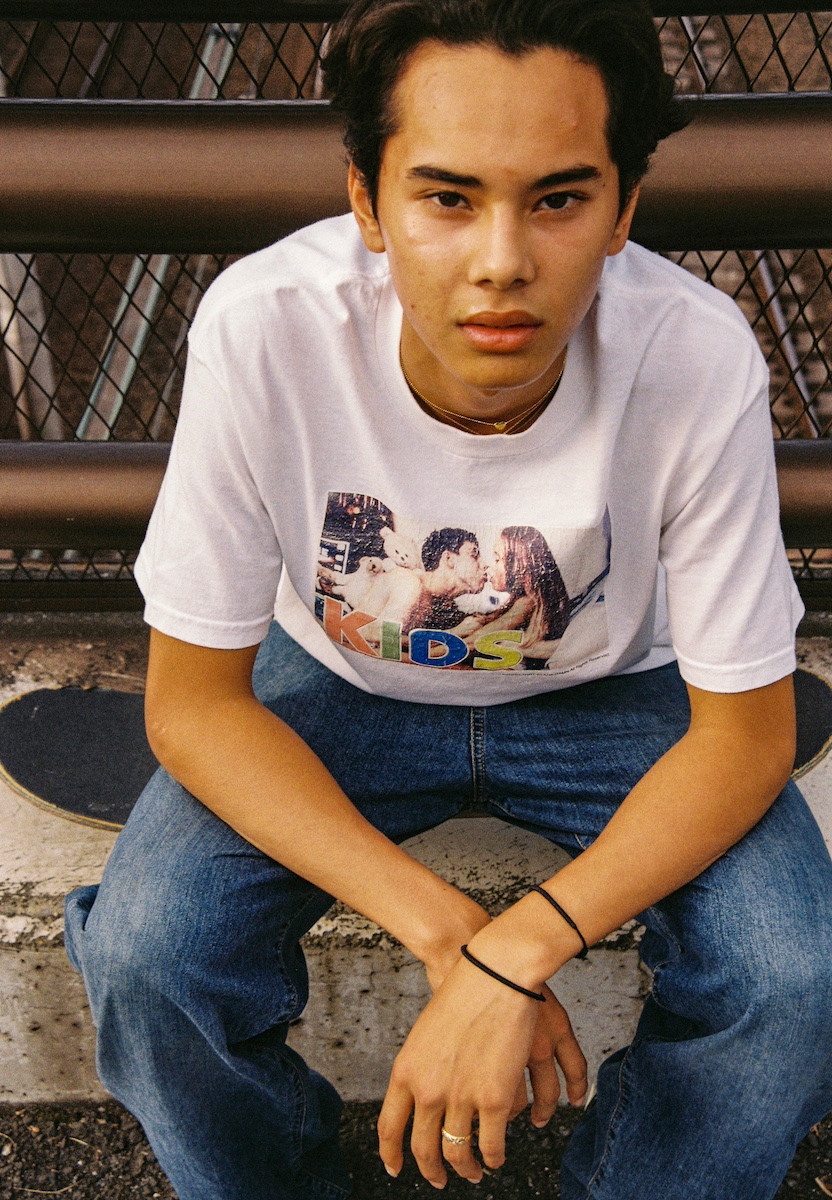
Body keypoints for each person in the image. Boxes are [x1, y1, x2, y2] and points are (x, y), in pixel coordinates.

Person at [63, 1, 832, 1197]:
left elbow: (744, 735)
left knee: (795, 975)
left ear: (624, 208)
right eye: (447, 198)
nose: (501, 261)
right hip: (339, 678)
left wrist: (522, 948)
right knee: (149, 954)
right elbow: (194, 708)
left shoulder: (692, 351)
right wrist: (444, 933)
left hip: (613, 689)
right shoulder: (266, 328)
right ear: (367, 202)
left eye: (559, 199)